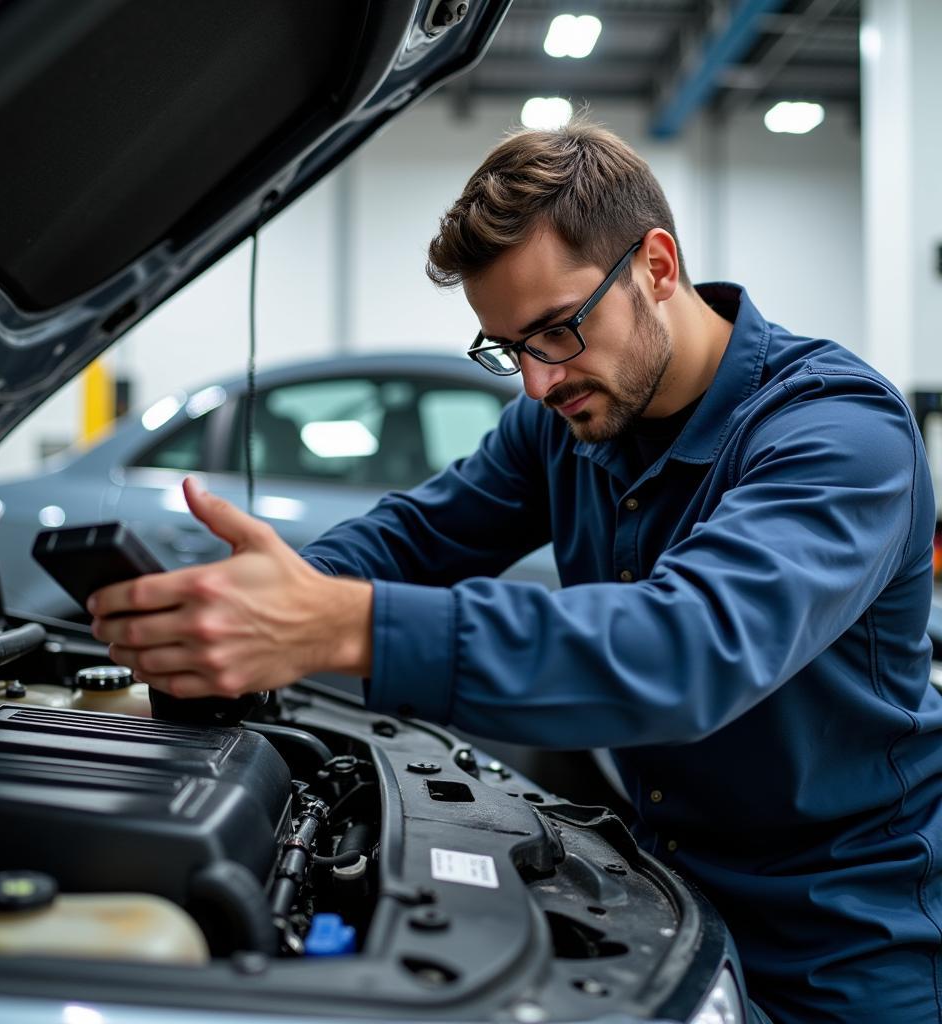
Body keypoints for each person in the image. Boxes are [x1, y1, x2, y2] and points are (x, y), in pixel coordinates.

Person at [89, 122, 942, 1024]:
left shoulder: (837, 436)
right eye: (507, 349)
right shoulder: (565, 421)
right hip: (669, 902)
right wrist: (272, 586)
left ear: (657, 265)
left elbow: (684, 649)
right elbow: (414, 536)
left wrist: (342, 627)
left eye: (557, 330)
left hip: (840, 955)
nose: (536, 383)